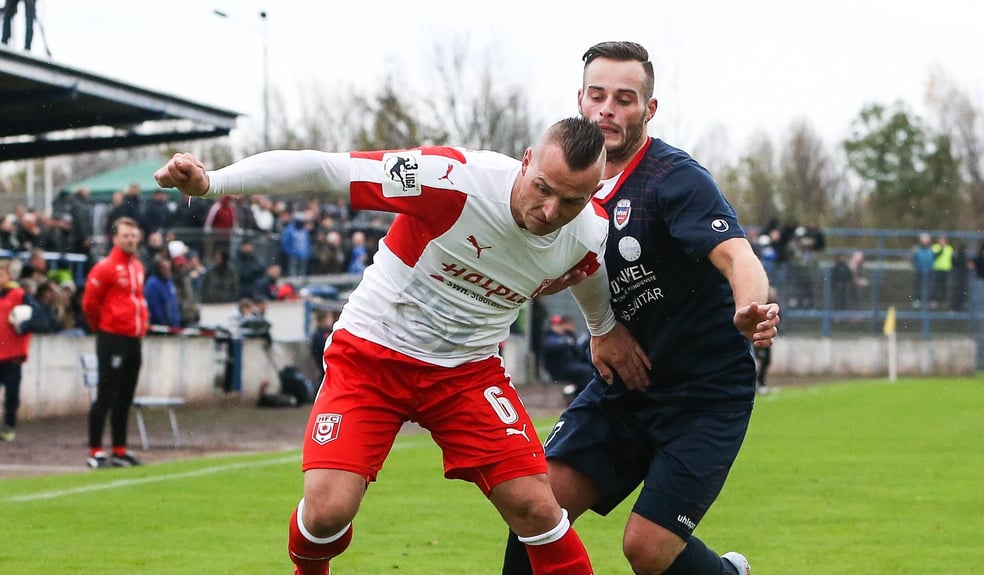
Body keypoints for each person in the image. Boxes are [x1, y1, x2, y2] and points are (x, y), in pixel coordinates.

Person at [155, 116, 652, 575]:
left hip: (466, 374)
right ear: (525, 161)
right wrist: (213, 182)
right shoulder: (450, 180)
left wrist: (603, 326)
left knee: (537, 507)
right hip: (371, 356)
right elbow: (324, 168)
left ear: (593, 194)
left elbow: (592, 275)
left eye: (571, 202)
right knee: (326, 514)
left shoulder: (587, 233)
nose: (550, 212)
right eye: (543, 189)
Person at [502, 42, 779, 575]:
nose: (608, 109)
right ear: (579, 101)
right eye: (598, 95)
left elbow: (737, 254)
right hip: (623, 386)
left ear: (648, 110)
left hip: (703, 395)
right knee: (535, 509)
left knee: (647, 550)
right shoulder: (559, 184)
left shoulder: (673, 179)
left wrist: (750, 306)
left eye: (625, 99)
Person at [82, 216, 149, 469]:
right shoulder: (106, 268)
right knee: (106, 394)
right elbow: (90, 303)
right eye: (125, 236)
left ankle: (120, 449)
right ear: (115, 238)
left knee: (125, 397)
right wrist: (102, 327)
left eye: (133, 235)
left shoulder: (138, 267)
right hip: (112, 337)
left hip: (134, 337)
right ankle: (96, 449)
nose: (130, 240)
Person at [0, 258, 47, 442]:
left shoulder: (20, 296)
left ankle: (9, 427)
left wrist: (23, 325)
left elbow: (42, 317)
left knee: (11, 395)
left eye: (1, 275)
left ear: (9, 276)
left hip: (12, 355)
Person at [540, 315, 593, 400]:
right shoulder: (549, 337)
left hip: (569, 366)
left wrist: (571, 335)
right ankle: (585, 398)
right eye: (555, 325)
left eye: (560, 325)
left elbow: (578, 351)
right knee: (586, 372)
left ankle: (578, 395)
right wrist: (567, 342)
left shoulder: (567, 336)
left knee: (588, 371)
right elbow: (551, 346)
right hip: (558, 369)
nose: (558, 328)